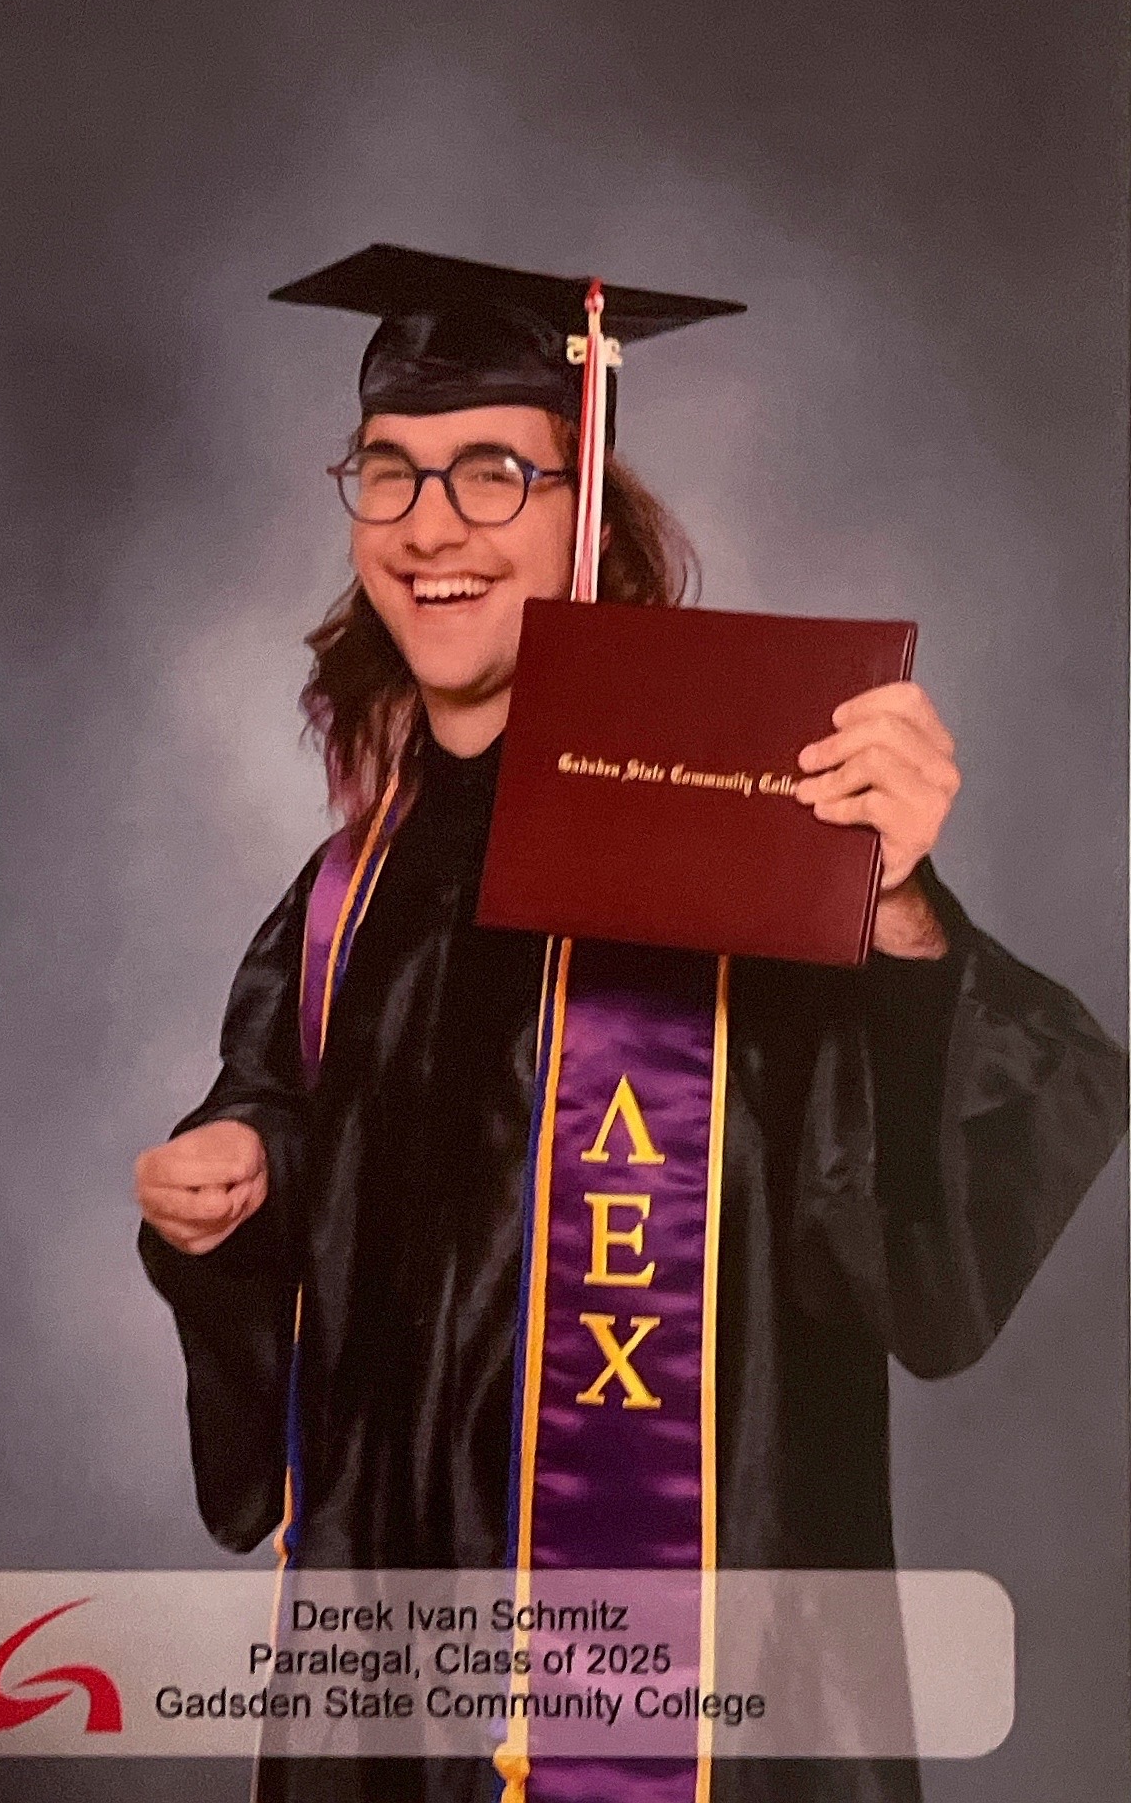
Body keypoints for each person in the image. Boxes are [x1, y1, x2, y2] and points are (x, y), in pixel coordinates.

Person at [135, 247, 1126, 1803]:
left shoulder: (748, 829)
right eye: (388, 473)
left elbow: (919, 1263)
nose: (429, 525)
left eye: (492, 472)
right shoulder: (342, 899)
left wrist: (900, 912)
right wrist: (232, 1189)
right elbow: (294, 1169)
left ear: (584, 508)